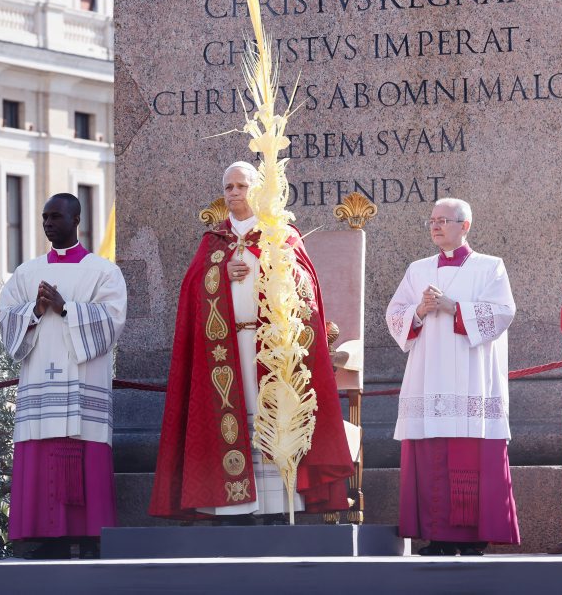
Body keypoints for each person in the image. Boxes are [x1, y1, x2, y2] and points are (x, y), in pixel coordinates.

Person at [150, 161, 354, 522]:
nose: (233, 193)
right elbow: (191, 290)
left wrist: (279, 270)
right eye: (228, 187)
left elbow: (305, 288)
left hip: (271, 349)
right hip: (226, 351)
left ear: (257, 189)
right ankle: (236, 506)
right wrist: (219, 272)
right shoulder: (214, 242)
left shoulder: (281, 234)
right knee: (233, 419)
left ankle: (278, 506)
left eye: (241, 186)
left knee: (274, 419)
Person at [385, 198, 520, 556]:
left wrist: (453, 308)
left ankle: (473, 539)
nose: (436, 225)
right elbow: (395, 315)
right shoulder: (418, 269)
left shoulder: (490, 267)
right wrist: (418, 310)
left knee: (470, 457)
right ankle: (437, 537)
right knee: (432, 457)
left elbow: (503, 313)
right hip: (427, 376)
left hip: (473, 377)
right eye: (432, 220)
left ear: (465, 226)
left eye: (444, 220)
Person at [0, 193, 127, 559]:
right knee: (41, 453)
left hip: (84, 381)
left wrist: (66, 307)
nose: (48, 223)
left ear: (76, 220)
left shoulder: (103, 271)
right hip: (40, 379)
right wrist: (35, 311)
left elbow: (113, 320)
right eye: (44, 217)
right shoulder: (27, 273)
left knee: (86, 452)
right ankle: (47, 537)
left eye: (55, 216)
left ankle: (88, 537)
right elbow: (5, 318)